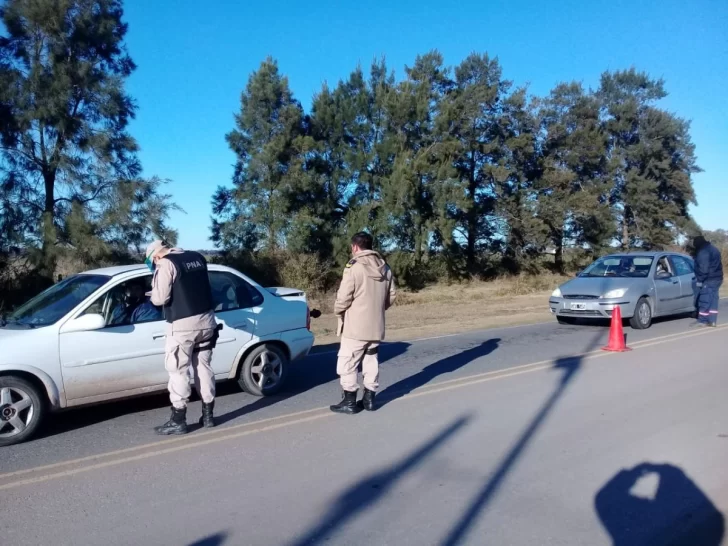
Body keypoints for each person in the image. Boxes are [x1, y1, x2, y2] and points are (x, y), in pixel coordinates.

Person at [145, 240, 220, 434]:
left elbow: (160, 298)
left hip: (182, 327)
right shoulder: (197, 258)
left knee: (178, 370)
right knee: (203, 368)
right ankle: (208, 416)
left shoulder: (165, 264)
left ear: (155, 256)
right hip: (207, 323)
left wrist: (151, 294)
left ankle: (178, 419)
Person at [330, 232, 396, 414]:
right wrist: (377, 310)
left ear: (355, 247)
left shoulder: (354, 266)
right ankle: (369, 399)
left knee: (347, 362)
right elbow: (391, 296)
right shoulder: (385, 267)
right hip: (376, 325)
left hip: (355, 327)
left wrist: (338, 311)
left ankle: (350, 401)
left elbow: (344, 296)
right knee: (371, 360)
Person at [692, 235, 723, 327]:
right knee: (713, 300)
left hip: (708, 279)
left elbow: (703, 269)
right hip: (717, 278)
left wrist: (700, 280)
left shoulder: (703, 252)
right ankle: (712, 320)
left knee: (705, 299)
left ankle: (703, 320)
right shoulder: (714, 249)